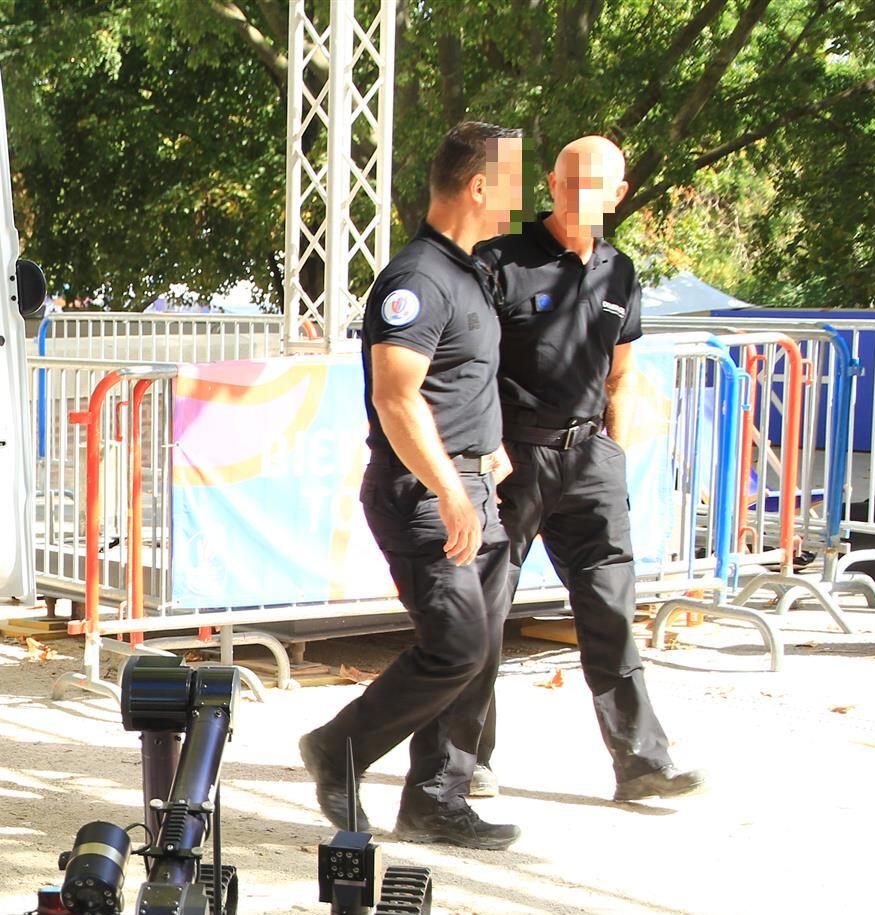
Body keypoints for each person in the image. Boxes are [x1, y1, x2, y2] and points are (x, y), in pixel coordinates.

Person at [298, 121, 525, 850]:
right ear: (480, 185)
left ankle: (436, 798)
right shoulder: (418, 279)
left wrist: (486, 453)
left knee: (481, 649)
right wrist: (449, 488)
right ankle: (340, 748)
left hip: (468, 484)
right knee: (457, 644)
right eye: (514, 182)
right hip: (425, 492)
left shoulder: (469, 273)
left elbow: (460, 382)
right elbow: (398, 396)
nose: (518, 201)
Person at [472, 136, 705, 803]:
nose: (580, 194)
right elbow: (471, 366)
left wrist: (614, 452)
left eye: (595, 184)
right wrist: (487, 445)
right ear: (551, 181)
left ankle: (641, 764)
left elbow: (623, 374)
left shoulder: (619, 273)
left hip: (591, 461)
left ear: (618, 193)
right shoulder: (500, 261)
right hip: (512, 458)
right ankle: (465, 761)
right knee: (482, 611)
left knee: (611, 611)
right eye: (569, 180)